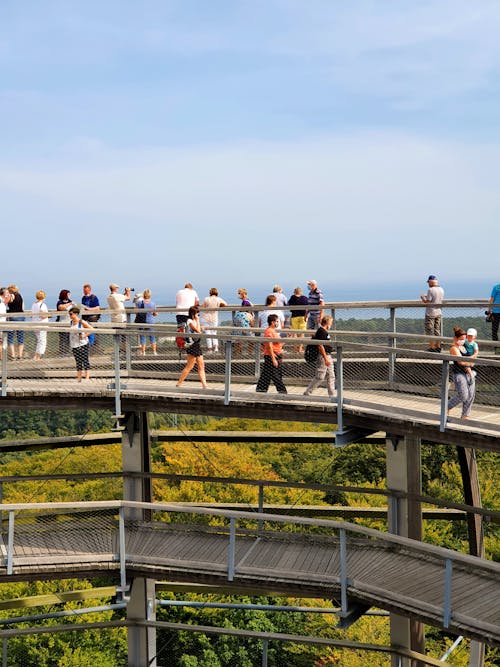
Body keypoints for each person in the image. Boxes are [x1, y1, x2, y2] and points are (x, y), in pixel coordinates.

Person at [304, 315, 335, 397]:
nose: (331, 324)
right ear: (327, 322)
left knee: (331, 376)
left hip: (328, 355)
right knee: (320, 376)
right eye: (331, 322)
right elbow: (320, 345)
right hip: (323, 356)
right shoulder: (321, 331)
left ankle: (332, 395)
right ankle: (308, 392)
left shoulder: (324, 331)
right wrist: (325, 359)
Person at [448, 326, 475, 420]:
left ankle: (465, 415)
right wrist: (470, 363)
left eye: (464, 339)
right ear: (456, 338)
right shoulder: (454, 348)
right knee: (463, 395)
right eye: (461, 339)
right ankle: (447, 406)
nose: (463, 341)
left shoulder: (463, 347)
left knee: (471, 395)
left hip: (468, 372)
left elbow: (471, 356)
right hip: (459, 373)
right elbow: (461, 361)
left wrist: (470, 363)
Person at [176, 306, 207, 388]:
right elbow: (198, 331)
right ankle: (179, 383)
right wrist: (198, 321)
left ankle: (204, 385)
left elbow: (198, 330)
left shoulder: (193, 320)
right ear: (194, 314)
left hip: (196, 344)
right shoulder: (189, 321)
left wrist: (199, 324)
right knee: (190, 366)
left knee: (201, 365)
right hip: (192, 345)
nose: (198, 315)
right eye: (197, 313)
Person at [256, 314, 287, 394]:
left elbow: (276, 344)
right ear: (272, 322)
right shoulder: (269, 331)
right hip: (272, 356)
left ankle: (261, 390)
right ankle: (282, 392)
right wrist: (273, 359)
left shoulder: (273, 331)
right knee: (276, 375)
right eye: (276, 321)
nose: (277, 323)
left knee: (267, 374)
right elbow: (269, 346)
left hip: (276, 355)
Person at [420, 275, 444, 352]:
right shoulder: (441, 289)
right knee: (437, 330)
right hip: (439, 311)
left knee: (430, 330)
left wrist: (422, 298)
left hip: (430, 313)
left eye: (428, 282)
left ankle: (432, 347)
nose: (428, 284)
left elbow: (428, 301)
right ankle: (438, 347)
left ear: (431, 282)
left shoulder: (430, 290)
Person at [68, 306, 93, 381]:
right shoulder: (71, 322)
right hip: (74, 344)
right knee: (78, 362)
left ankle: (87, 378)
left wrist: (85, 335)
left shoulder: (81, 322)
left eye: (71, 314)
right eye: (69, 314)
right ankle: (79, 378)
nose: (70, 316)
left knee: (85, 360)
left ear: (76, 314)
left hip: (83, 344)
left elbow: (91, 329)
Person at [201, 287, 227, 353]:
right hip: (214, 318)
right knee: (214, 333)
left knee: (208, 334)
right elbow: (225, 304)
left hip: (206, 318)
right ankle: (216, 348)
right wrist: (219, 305)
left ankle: (209, 349)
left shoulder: (206, 299)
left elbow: (202, 307)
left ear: (210, 292)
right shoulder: (219, 299)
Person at [135, 289, 158, 355]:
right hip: (150, 321)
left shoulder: (139, 303)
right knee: (152, 336)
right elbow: (155, 313)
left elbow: (136, 312)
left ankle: (143, 352)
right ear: (150, 295)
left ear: (143, 295)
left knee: (142, 337)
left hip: (141, 322)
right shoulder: (152, 303)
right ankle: (154, 352)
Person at [233, 288, 254, 355]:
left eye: (239, 294)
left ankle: (239, 353)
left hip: (246, 320)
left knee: (239, 338)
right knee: (249, 338)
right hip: (248, 319)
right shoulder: (247, 301)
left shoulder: (245, 302)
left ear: (243, 294)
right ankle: (249, 353)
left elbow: (245, 311)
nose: (239, 295)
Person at [7, 285, 25, 360]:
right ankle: (20, 355)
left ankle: (13, 355)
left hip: (13, 317)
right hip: (21, 317)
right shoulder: (20, 296)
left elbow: (8, 304)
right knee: (20, 336)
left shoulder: (11, 296)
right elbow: (22, 307)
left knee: (10, 337)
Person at [288, 286, 309, 353]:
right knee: (302, 333)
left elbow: (288, 304)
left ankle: (295, 349)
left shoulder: (292, 297)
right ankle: (300, 349)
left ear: (294, 292)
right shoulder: (305, 298)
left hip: (294, 316)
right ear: (301, 292)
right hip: (303, 316)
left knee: (294, 333)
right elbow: (308, 306)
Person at [56, 289, 76, 355]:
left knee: (69, 339)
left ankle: (68, 353)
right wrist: (70, 304)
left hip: (70, 323)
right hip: (62, 323)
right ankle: (62, 353)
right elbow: (61, 307)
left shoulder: (70, 301)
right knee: (63, 339)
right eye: (68, 294)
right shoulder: (60, 302)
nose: (69, 296)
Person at [31, 290, 49, 360]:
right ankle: (39, 356)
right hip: (42, 325)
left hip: (35, 324)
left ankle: (36, 356)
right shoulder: (43, 305)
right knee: (42, 341)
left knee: (39, 340)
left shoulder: (34, 304)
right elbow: (43, 316)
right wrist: (49, 315)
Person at [487, 282, 500, 351]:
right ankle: (497, 348)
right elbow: (492, 299)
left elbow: (492, 299)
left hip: (496, 312)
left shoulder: (496, 287)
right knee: (494, 331)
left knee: (494, 331)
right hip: (495, 312)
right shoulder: (496, 287)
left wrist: (489, 311)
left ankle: (497, 349)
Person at [0, 287, 9, 361]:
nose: (8, 294)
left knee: (1, 342)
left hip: (2, 324)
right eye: (7, 293)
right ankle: (1, 358)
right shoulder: (0, 302)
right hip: (1, 325)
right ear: (3, 294)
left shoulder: (2, 301)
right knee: (0, 342)